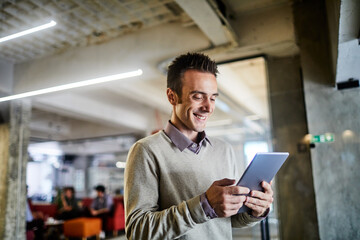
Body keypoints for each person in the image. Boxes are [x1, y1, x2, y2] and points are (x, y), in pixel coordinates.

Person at [124, 52, 274, 239]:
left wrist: (255, 211)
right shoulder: (146, 151)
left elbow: (227, 221)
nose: (209, 107)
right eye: (198, 97)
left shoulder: (224, 150)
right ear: (172, 97)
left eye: (212, 98)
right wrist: (204, 205)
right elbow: (138, 231)